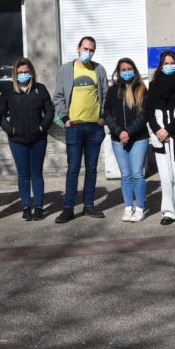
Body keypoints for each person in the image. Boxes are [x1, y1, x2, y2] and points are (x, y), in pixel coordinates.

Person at [52, 36, 109, 223]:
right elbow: (58, 96)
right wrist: (65, 119)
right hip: (74, 126)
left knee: (91, 168)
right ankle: (68, 208)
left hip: (95, 127)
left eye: (91, 50)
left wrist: (102, 117)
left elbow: (106, 95)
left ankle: (89, 205)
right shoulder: (66, 69)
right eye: (85, 49)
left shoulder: (99, 69)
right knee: (73, 168)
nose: (88, 52)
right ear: (78, 48)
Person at [0, 57, 54, 221]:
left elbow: (50, 111)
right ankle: (26, 207)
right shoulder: (8, 91)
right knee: (23, 175)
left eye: (26, 72)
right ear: (15, 74)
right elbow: (0, 115)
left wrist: (42, 127)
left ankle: (39, 207)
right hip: (17, 140)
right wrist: (11, 130)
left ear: (31, 72)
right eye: (20, 72)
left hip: (38, 139)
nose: (23, 75)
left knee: (36, 174)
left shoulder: (40, 89)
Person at [146, 50, 175, 226]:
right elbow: (149, 110)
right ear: (161, 66)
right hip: (160, 136)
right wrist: (158, 130)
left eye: (172, 63)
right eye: (165, 63)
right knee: (165, 177)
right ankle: (168, 212)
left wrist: (168, 129)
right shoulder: (153, 85)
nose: (169, 66)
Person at [104, 57, 150, 222]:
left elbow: (144, 114)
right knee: (125, 175)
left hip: (139, 138)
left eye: (129, 69)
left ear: (134, 70)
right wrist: (119, 132)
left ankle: (140, 209)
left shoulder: (142, 89)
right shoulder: (112, 90)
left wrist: (128, 132)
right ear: (118, 72)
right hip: (118, 139)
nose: (126, 72)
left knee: (137, 174)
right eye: (123, 69)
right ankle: (128, 207)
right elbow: (107, 113)